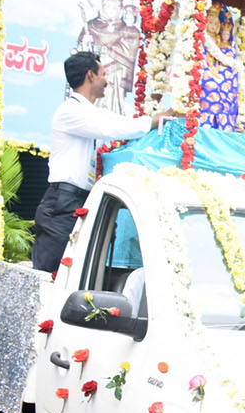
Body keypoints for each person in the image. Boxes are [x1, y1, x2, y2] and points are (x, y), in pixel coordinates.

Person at [32, 51, 175, 272]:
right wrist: (155, 120)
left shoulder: (88, 112)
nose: (107, 81)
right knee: (51, 272)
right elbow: (112, 127)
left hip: (79, 200)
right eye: (103, 74)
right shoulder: (70, 111)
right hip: (63, 203)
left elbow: (113, 122)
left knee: (77, 272)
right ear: (90, 75)